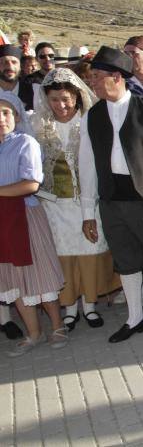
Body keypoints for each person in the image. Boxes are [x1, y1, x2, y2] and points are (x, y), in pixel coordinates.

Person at [80, 46, 143, 343]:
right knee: (125, 258)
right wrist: (89, 212)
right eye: (92, 78)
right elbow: (86, 165)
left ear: (117, 77)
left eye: (98, 77)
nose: (93, 83)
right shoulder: (93, 116)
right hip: (112, 200)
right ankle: (135, 317)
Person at [32, 68, 119, 331]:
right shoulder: (39, 125)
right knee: (65, 255)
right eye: (55, 99)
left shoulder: (90, 121)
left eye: (66, 98)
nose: (61, 105)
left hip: (87, 200)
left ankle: (90, 305)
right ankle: (70, 308)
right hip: (54, 204)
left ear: (77, 96)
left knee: (89, 251)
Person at [0, 92, 67, 357]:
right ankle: (33, 333)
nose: (1, 119)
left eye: (6, 113)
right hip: (1, 220)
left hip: (25, 216)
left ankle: (58, 326)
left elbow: (31, 184)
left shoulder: (25, 142)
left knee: (39, 273)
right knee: (11, 276)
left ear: (16, 116)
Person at [0, 45, 33, 111]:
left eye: (14, 62)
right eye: (5, 62)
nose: (10, 67)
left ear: (20, 66)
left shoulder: (31, 90)